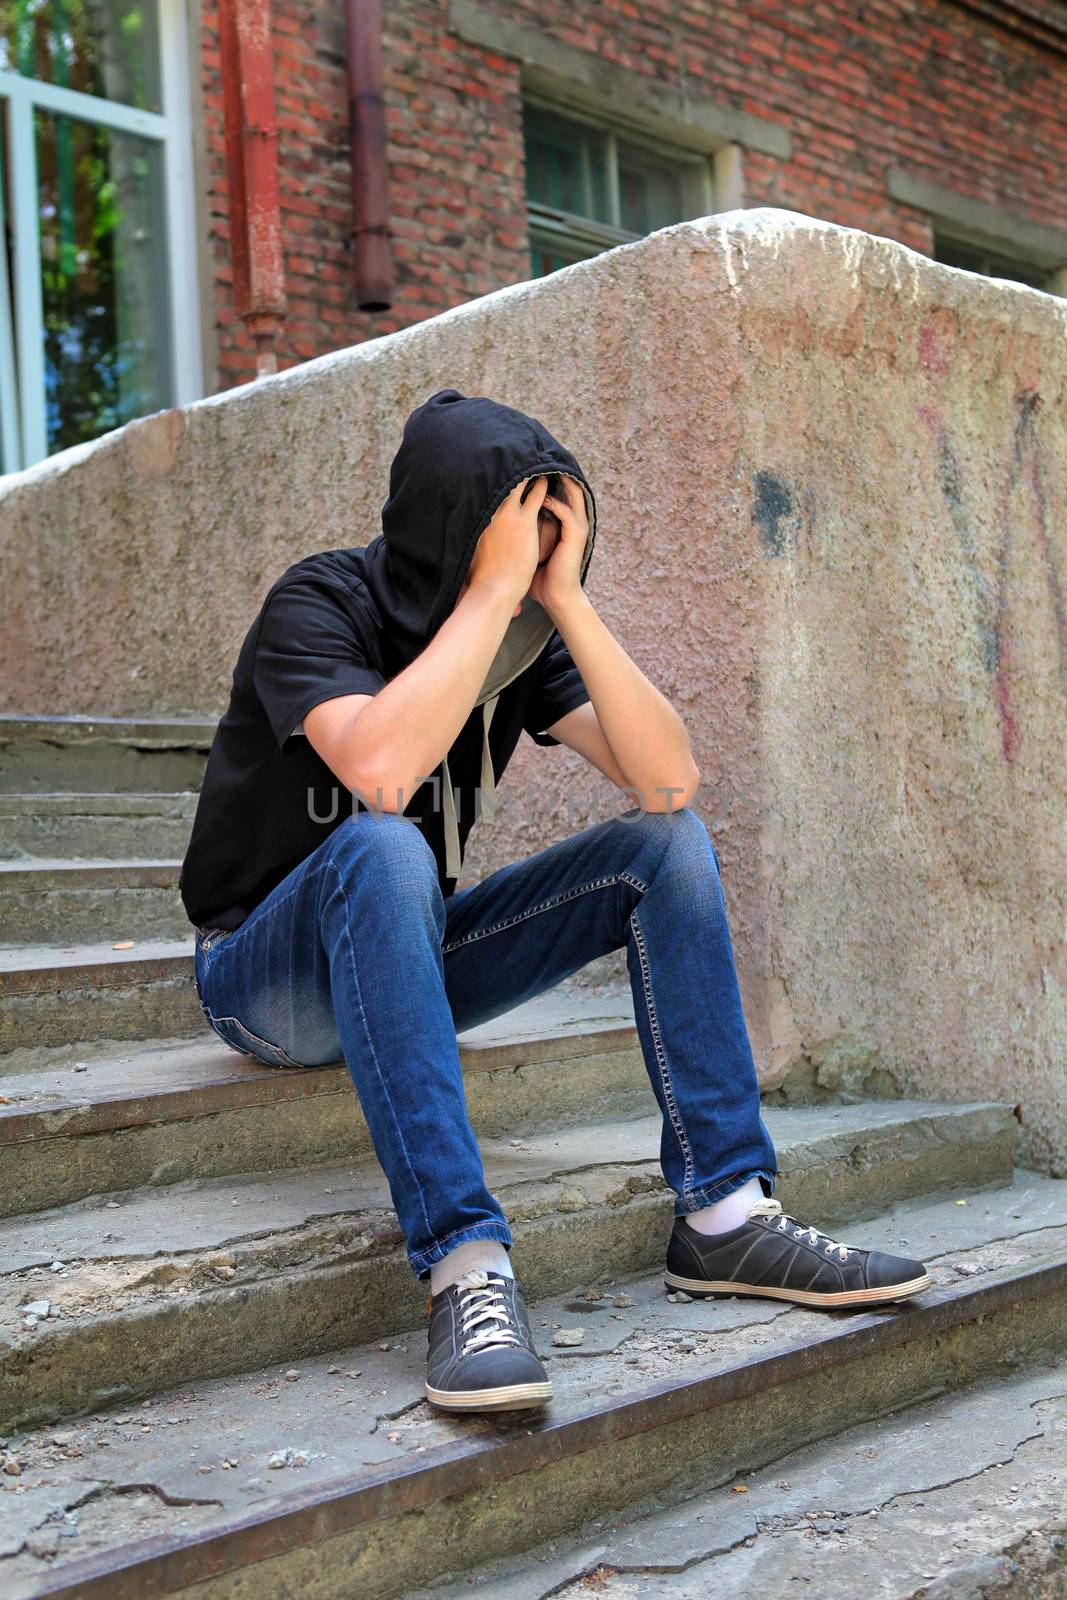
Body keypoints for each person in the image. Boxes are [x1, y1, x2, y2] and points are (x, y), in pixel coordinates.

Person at [180, 388, 933, 1416]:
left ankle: (724, 1215)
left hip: (406, 952)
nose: (531, 555)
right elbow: (382, 774)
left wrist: (566, 602)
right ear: (453, 523)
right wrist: (488, 595)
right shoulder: (319, 601)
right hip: (262, 977)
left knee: (662, 848)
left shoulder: (524, 635)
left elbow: (667, 781)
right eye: (513, 528)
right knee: (382, 844)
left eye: (552, 531)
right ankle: (465, 1266)